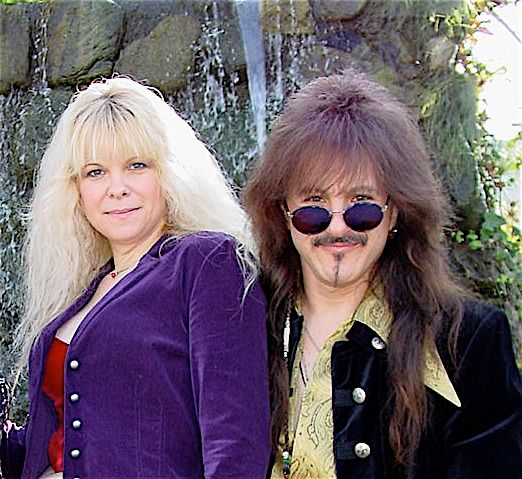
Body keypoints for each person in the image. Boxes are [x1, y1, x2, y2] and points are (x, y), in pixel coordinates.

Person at [243, 68, 522, 478]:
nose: (337, 227)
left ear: (395, 212)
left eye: (362, 204)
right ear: (283, 214)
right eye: (313, 206)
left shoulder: (466, 343)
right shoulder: (244, 325)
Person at [0, 76, 270, 479]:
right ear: (75, 189)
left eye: (136, 165)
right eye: (95, 172)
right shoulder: (84, 288)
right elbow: (58, 446)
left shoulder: (207, 262)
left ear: (170, 171)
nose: (117, 188)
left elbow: (235, 444)